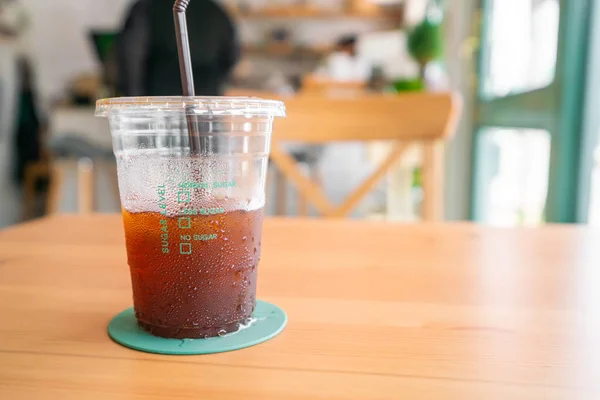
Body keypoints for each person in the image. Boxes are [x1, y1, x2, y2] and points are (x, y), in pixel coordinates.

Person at [116, 0, 240, 97]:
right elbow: (232, 55)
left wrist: (134, 97)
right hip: (207, 108)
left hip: (158, 106)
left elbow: (130, 56)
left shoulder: (147, 7)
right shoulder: (217, 11)